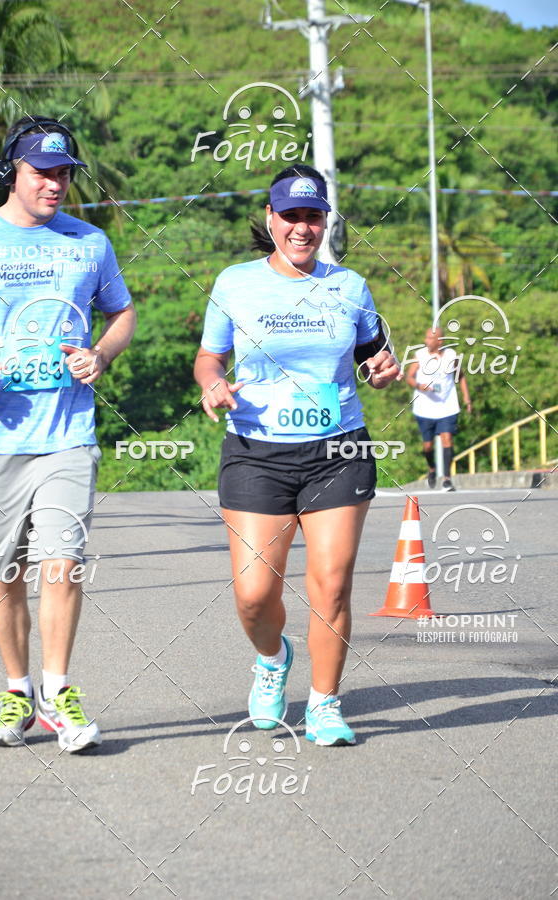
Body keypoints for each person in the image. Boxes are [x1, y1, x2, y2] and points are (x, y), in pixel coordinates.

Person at [194, 165, 400, 746]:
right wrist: (213, 382)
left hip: (339, 450)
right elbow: (209, 358)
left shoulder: (350, 286)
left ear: (326, 220)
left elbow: (374, 359)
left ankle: (326, 704)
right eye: (291, 216)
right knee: (255, 594)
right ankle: (272, 655)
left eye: (313, 216)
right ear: (271, 219)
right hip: (257, 451)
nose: (302, 228)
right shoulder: (235, 283)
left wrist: (383, 371)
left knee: (331, 584)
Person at [0, 116, 136, 751]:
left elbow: (121, 312)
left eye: (64, 173)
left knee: (62, 562)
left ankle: (59, 691)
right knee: (3, 572)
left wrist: (102, 355)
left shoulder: (88, 243)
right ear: (13, 173)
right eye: (44, 172)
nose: (56, 184)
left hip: (66, 434)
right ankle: (16, 693)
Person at [405, 326, 472, 491]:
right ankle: (432, 469)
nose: (425, 341)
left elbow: (460, 375)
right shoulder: (420, 356)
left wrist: (466, 397)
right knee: (427, 446)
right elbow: (409, 377)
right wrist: (419, 386)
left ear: (439, 341)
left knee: (447, 439)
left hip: (447, 406)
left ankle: (447, 479)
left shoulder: (450, 356)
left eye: (429, 338)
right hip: (425, 407)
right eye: (426, 338)